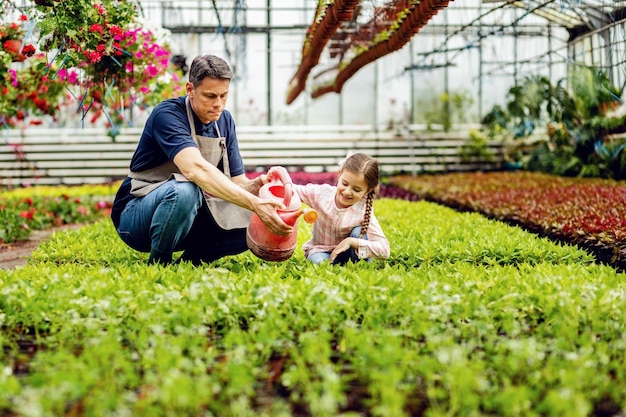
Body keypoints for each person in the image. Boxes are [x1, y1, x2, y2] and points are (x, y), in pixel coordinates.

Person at [110, 54, 292, 265]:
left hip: (187, 215)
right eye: (210, 96)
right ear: (190, 89)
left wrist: (256, 188)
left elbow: (236, 182)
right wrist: (255, 203)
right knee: (185, 189)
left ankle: (190, 263)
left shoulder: (225, 121)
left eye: (224, 96)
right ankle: (160, 263)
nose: (219, 104)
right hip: (137, 216)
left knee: (252, 219)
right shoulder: (167, 115)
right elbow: (194, 169)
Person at [285, 152, 390, 264]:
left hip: (352, 253)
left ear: (368, 190)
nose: (347, 192)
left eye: (356, 190)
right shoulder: (321, 194)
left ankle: (359, 264)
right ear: (339, 174)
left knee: (360, 232)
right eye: (345, 184)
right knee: (318, 262)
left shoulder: (363, 209)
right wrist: (274, 177)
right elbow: (291, 190)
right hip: (322, 251)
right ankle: (335, 264)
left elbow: (385, 250)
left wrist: (351, 242)